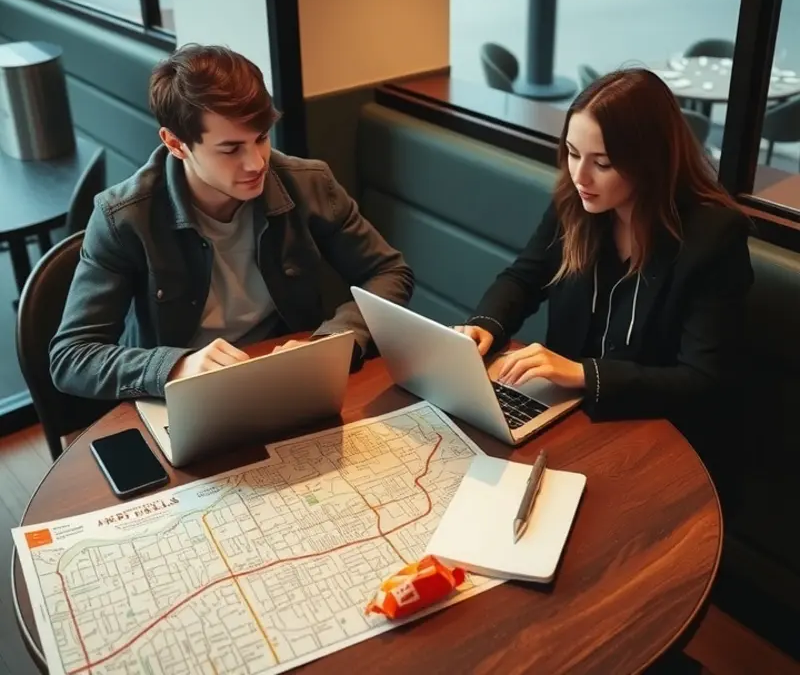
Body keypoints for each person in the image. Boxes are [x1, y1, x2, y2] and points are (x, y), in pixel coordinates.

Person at [50, 44, 413, 401]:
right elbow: (72, 357)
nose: (256, 163)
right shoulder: (124, 217)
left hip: (285, 380)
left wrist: (331, 342)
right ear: (176, 144)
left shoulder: (309, 183)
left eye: (261, 138)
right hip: (182, 396)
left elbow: (389, 272)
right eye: (230, 149)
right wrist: (175, 367)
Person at [455, 68, 753, 503]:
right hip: (572, 420)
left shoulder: (713, 238)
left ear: (649, 160)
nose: (581, 176)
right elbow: (523, 277)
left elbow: (703, 382)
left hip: (659, 444)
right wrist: (484, 326)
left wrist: (584, 374)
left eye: (603, 163)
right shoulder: (576, 204)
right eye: (573, 153)